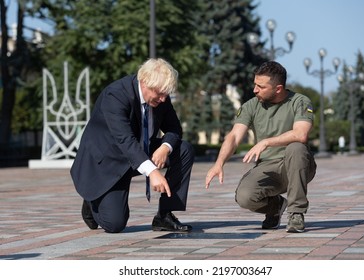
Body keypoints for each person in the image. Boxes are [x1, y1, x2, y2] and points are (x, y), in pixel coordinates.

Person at [71, 58, 194, 233]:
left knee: (184, 150)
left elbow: (174, 128)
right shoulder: (115, 95)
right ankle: (92, 200)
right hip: (107, 161)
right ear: (144, 82)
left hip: (137, 152)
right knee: (115, 224)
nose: (163, 98)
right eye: (159, 93)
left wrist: (165, 147)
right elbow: (125, 140)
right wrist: (152, 171)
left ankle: (164, 216)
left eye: (166, 94)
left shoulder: (161, 98)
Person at [205, 61, 317, 233]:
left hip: (296, 164)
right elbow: (234, 136)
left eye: (261, 86)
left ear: (278, 89)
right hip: (267, 166)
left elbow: (301, 134)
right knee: (244, 197)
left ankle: (296, 213)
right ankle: (276, 206)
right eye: (255, 84)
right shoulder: (251, 105)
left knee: (296, 148)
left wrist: (265, 142)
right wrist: (219, 163)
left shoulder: (299, 101)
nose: (254, 90)